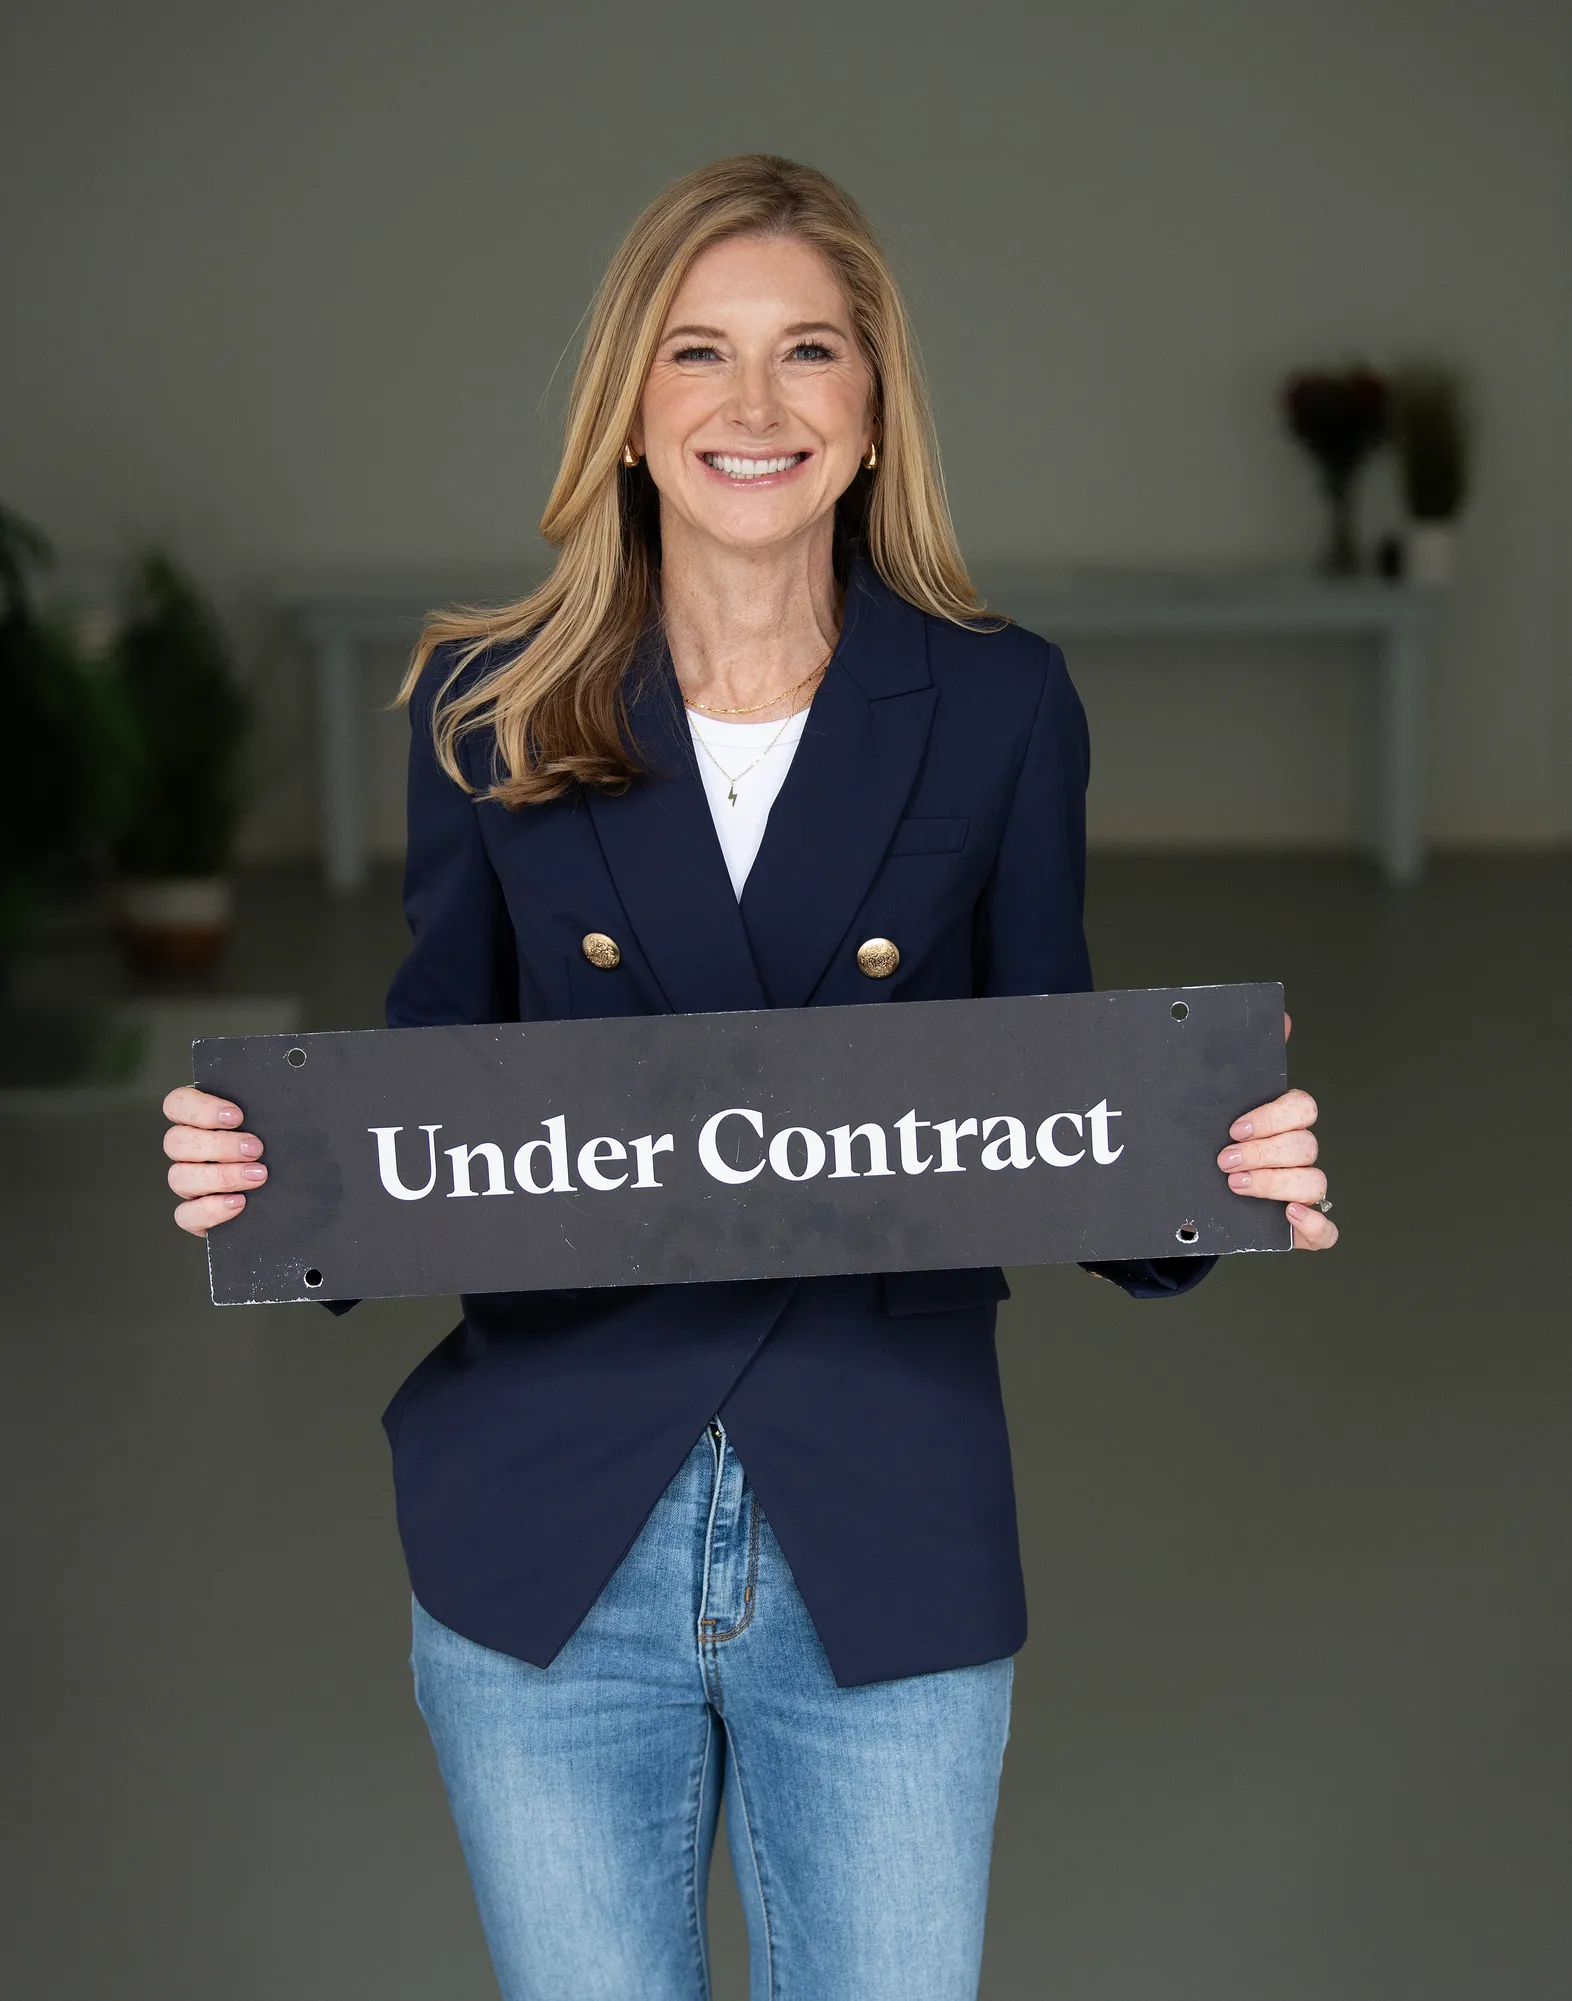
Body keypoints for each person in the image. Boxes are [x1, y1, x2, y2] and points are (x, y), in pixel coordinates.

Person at [161, 155, 1337, 2001]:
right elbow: (432, 1090)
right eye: (699, 353)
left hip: (886, 1526)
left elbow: (1061, 1075)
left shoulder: (1004, 702)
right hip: (548, 1535)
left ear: (873, 414)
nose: (755, 405)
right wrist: (282, 1180)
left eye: (811, 354)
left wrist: (1215, 1170)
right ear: (630, 409)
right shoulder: (484, 706)